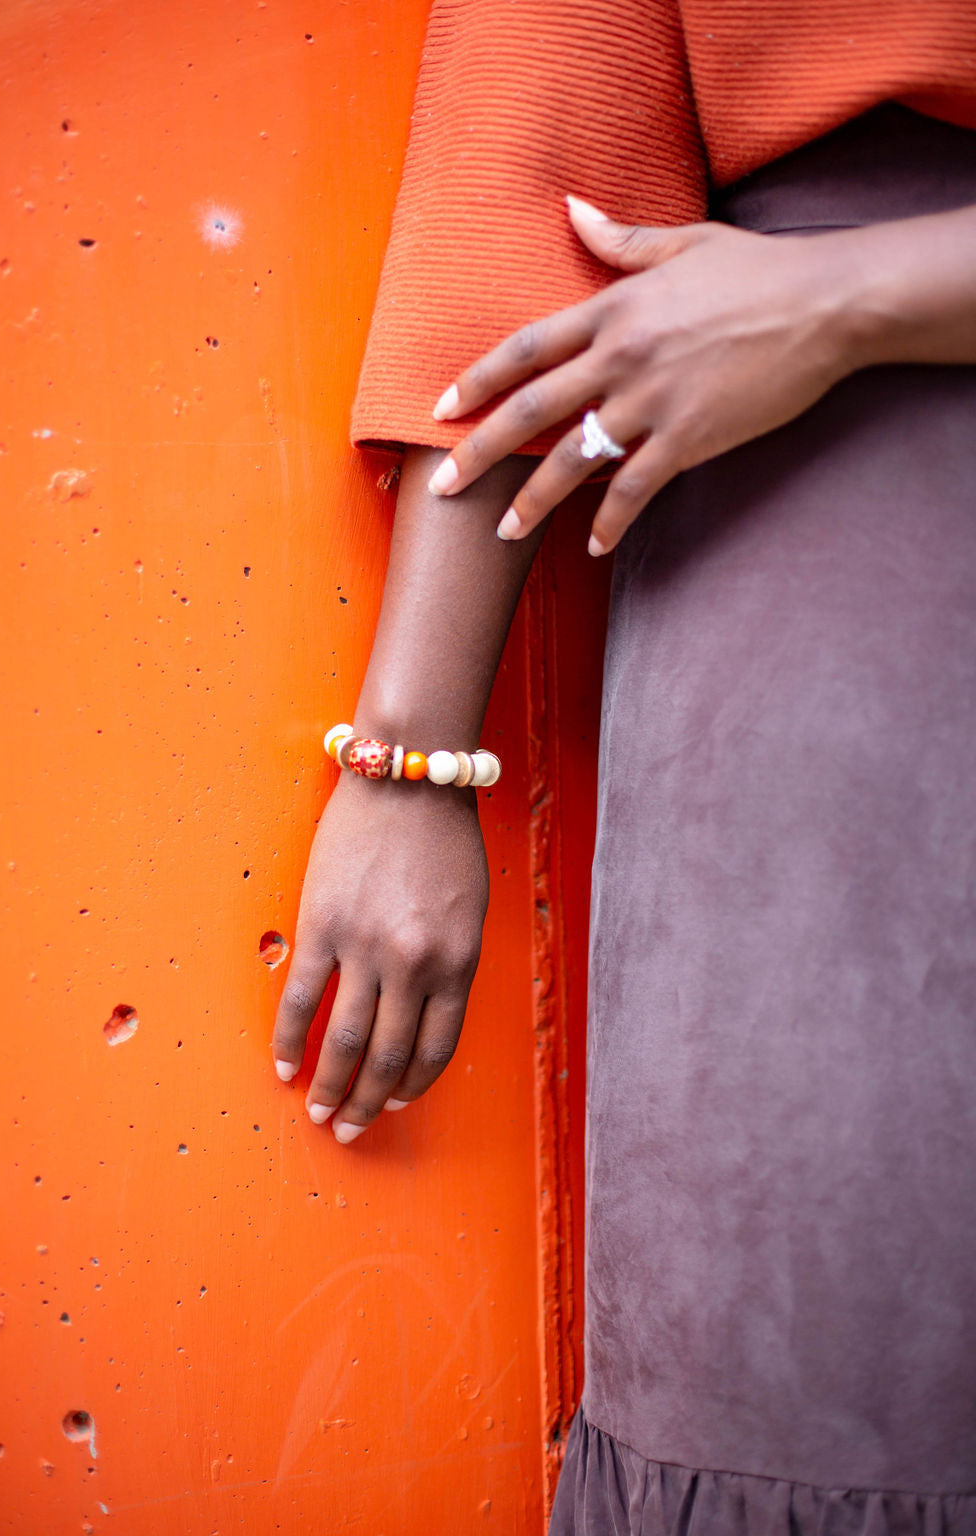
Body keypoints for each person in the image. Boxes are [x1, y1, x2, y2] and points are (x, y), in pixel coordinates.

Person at [273, 3, 976, 1529]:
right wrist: (406, 767)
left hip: (790, 371)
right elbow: (530, 158)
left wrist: (849, 296)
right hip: (817, 558)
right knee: (817, 1348)